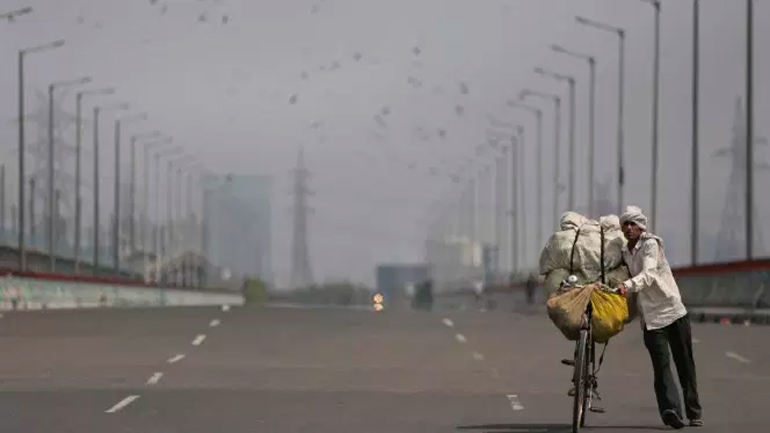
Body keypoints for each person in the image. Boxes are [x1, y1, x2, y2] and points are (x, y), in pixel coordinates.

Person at [617, 205, 703, 429]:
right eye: (625, 224)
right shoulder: (624, 252)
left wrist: (626, 285)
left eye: (632, 224)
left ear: (641, 226)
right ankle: (671, 411)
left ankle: (694, 411)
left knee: (684, 365)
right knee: (661, 367)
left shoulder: (651, 245)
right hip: (651, 319)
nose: (628, 228)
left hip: (672, 311)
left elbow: (648, 275)